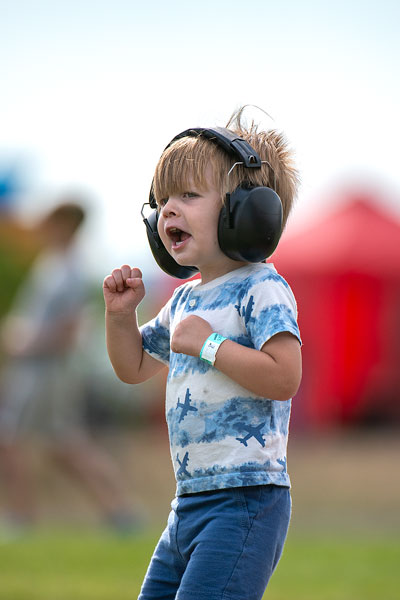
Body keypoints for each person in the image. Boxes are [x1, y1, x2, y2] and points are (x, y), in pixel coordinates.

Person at [103, 108, 302, 599]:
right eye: (163, 199)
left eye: (189, 195)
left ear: (245, 212)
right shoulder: (184, 301)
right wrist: (119, 315)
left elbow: (285, 377)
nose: (169, 209)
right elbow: (132, 367)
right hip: (188, 503)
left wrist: (209, 344)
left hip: (246, 500)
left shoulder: (262, 288)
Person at [0, 200, 137, 536]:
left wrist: (24, 343)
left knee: (13, 439)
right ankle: (121, 514)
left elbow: (68, 329)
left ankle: (19, 519)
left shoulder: (73, 270)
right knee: (64, 446)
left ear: (64, 224)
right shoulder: (52, 263)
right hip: (35, 370)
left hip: (47, 372)